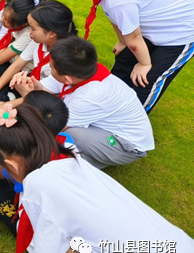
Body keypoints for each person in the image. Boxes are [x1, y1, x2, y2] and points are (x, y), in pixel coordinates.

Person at [0, 103, 194, 253]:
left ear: (11, 164)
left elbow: (51, 249)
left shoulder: (38, 184)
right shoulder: (68, 155)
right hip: (180, 250)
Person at [72, 0, 194, 113]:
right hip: (159, 23)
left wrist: (144, 64)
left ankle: (131, 119)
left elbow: (135, 39)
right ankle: (109, 102)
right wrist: (122, 41)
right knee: (125, 58)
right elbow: (114, 18)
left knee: (148, 79)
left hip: (183, 28)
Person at [15, 36, 154, 169]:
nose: (50, 71)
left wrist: (28, 95)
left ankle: (77, 166)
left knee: (70, 135)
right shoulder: (83, 71)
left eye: (51, 68)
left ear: (68, 79)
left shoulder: (91, 94)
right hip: (103, 126)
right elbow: (46, 88)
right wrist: (36, 87)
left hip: (127, 145)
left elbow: (55, 125)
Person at [0, 91, 70, 236]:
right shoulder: (66, 140)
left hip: (37, 225)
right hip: (64, 210)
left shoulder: (26, 156)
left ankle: (4, 214)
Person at [0, 0, 77, 122]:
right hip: (34, 87)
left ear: (51, 34)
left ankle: (4, 107)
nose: (29, 31)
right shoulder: (38, 42)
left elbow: (45, 93)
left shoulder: (64, 58)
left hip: (47, 97)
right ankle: (0, 99)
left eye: (33, 28)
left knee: (36, 112)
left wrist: (3, 106)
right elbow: (15, 66)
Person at [0, 0, 40, 102]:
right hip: (16, 64)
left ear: (23, 23)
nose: (2, 21)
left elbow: (0, 58)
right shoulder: (16, 27)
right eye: (3, 15)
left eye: (7, 20)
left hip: (25, 73)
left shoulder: (28, 33)